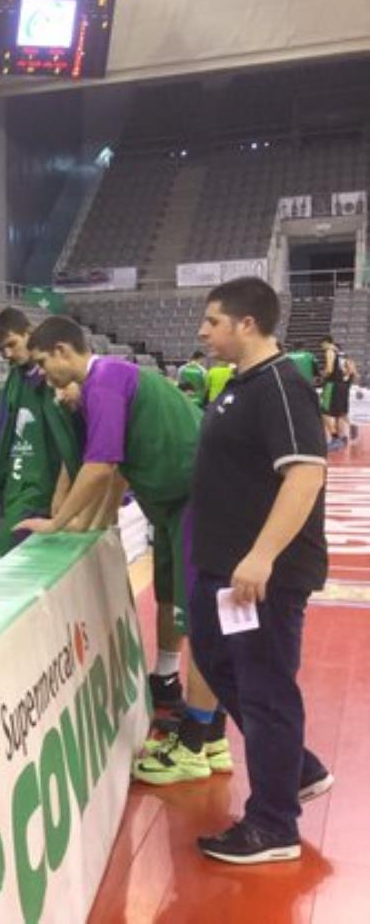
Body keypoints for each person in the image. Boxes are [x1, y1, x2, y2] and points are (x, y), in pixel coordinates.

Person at [19, 316, 230, 785]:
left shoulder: (106, 380)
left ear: (60, 351)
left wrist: (57, 523)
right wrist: (94, 522)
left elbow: (99, 467)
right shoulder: (108, 384)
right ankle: (211, 733)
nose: (42, 376)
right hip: (180, 504)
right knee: (184, 607)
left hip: (200, 499)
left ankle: (195, 744)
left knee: (204, 621)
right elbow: (114, 473)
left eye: (41, 363)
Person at [189, 276, 332, 864]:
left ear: (247, 324)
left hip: (261, 577)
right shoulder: (240, 385)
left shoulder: (281, 385)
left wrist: (262, 555)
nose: (203, 331)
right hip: (223, 569)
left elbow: (305, 475)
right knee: (217, 659)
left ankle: (273, 825)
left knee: (266, 687)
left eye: (213, 321)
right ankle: (296, 768)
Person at [0, 307, 80, 559]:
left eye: (12, 344)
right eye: (1, 349)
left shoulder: (61, 381)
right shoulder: (14, 380)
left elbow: (75, 441)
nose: (7, 354)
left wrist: (62, 492)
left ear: (29, 333)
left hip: (46, 493)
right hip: (15, 490)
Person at [318, 335, 352, 448]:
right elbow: (350, 370)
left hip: (332, 385)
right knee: (339, 413)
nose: (322, 347)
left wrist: (322, 376)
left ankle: (335, 438)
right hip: (342, 385)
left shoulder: (330, 351)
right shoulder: (343, 354)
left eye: (322, 345)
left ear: (326, 342)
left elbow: (329, 369)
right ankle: (342, 438)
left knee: (324, 412)